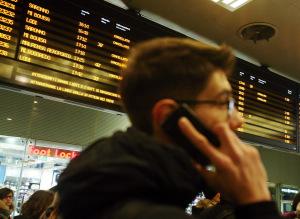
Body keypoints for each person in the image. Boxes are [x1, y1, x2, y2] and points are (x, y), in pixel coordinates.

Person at [57, 37, 282, 219]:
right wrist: (257, 203)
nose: (238, 119)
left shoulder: (104, 187)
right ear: (168, 115)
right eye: (224, 103)